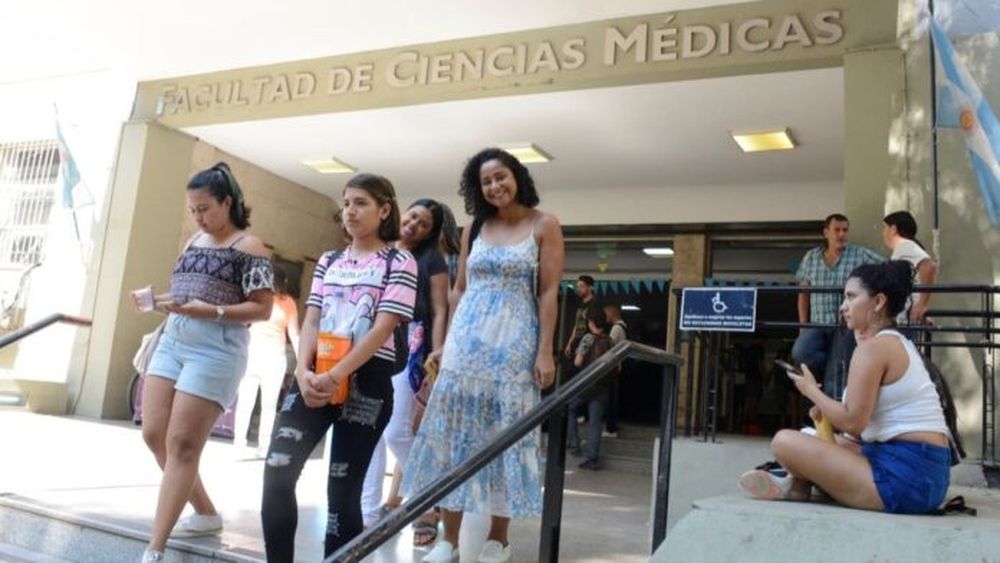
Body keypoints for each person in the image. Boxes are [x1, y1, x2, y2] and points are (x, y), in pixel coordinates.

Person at [403, 147, 564, 563]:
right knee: (454, 438)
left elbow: (548, 292)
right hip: (466, 345)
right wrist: (447, 341)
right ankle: (449, 540)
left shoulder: (544, 224)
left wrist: (545, 351)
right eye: (486, 182)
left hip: (514, 346)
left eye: (500, 177)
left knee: (505, 437)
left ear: (518, 177)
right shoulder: (475, 225)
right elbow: (459, 289)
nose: (495, 186)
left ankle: (499, 537)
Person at [260, 173, 417, 561]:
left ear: (384, 210)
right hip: (314, 374)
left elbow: (383, 328)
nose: (350, 210)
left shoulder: (400, 260)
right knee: (277, 471)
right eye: (346, 202)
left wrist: (337, 374)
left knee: (341, 492)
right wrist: (302, 372)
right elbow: (311, 319)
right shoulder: (330, 260)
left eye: (361, 202)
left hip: (366, 381)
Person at [739, 261, 962, 515]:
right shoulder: (898, 342)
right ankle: (799, 485)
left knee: (784, 441)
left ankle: (799, 482)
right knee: (810, 436)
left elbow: (853, 422)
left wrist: (811, 391)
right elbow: (862, 427)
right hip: (925, 476)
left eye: (851, 297)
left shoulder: (872, 350)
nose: (843, 307)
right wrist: (826, 412)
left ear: (878, 302)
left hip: (905, 483)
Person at [134, 162, 275, 563]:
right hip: (175, 339)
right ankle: (207, 512)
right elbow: (184, 295)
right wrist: (155, 301)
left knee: (182, 445)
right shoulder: (195, 240)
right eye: (192, 209)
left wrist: (210, 311)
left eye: (205, 208)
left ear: (228, 202)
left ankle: (154, 549)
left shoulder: (250, 247)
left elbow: (262, 310)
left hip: (216, 347)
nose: (198, 216)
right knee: (153, 434)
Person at [361, 198, 449, 548]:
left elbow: (440, 310)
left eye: (423, 223)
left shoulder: (432, 260)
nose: (413, 225)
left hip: (411, 347)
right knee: (368, 429)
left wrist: (438, 350)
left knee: (397, 430)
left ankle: (431, 495)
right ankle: (367, 515)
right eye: (412, 216)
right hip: (367, 342)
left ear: (430, 232)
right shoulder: (380, 250)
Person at [792, 213, 883, 399]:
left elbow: (887, 269)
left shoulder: (859, 254)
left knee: (835, 380)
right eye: (837, 230)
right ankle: (831, 366)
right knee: (800, 352)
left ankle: (832, 421)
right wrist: (803, 325)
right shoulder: (810, 258)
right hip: (817, 324)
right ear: (826, 232)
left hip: (845, 326)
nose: (842, 234)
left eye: (845, 230)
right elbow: (803, 293)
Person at [233, 264, 300, 458]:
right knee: (257, 402)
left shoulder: (276, 301)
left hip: (261, 354)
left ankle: (253, 445)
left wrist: (301, 362)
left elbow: (294, 334)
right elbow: (294, 334)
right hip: (264, 354)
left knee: (258, 402)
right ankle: (250, 445)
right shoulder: (279, 301)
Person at [567, 306, 615, 470]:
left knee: (569, 409)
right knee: (595, 423)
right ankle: (592, 459)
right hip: (602, 386)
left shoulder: (588, 338)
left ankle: (574, 443)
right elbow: (618, 367)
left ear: (591, 322)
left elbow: (578, 362)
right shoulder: (610, 341)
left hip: (586, 384)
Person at [881, 211, 938, 325]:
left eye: (884, 228)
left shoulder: (905, 245)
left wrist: (922, 304)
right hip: (904, 317)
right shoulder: (905, 247)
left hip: (908, 317)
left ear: (893, 229)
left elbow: (929, 266)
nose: (883, 233)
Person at [602, 302, 628, 438]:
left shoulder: (616, 328)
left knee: (610, 398)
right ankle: (613, 426)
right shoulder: (623, 327)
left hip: (612, 367)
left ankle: (611, 428)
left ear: (612, 314)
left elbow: (609, 345)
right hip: (618, 366)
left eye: (606, 314)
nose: (605, 317)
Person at [563, 275, 596, 364]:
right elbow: (577, 325)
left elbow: (596, 328)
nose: (579, 289)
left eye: (582, 286)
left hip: (588, 344)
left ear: (590, 287)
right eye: (578, 286)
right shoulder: (580, 304)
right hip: (577, 341)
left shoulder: (595, 304)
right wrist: (569, 343)